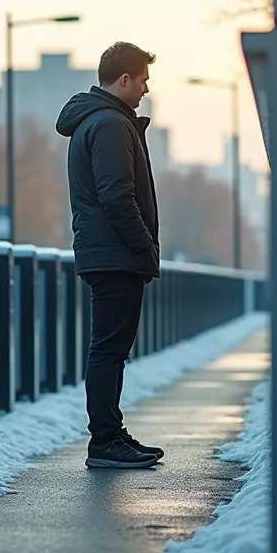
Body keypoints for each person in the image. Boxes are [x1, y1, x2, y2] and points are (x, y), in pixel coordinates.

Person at [56, 42, 164, 469]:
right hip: (115, 254)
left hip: (106, 252)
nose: (146, 89)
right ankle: (104, 440)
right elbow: (117, 196)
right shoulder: (111, 124)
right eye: (142, 80)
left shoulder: (96, 121)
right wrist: (143, 245)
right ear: (124, 79)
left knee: (109, 349)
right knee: (108, 350)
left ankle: (110, 433)